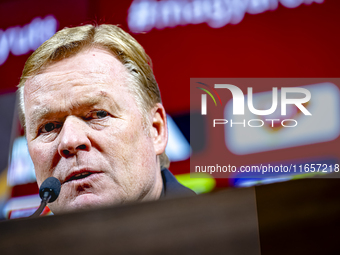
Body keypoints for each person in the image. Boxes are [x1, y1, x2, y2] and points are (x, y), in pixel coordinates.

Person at [17, 24, 194, 214]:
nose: (70, 141)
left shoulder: (224, 237)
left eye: (99, 114)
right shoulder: (20, 244)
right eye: (49, 127)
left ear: (155, 130)